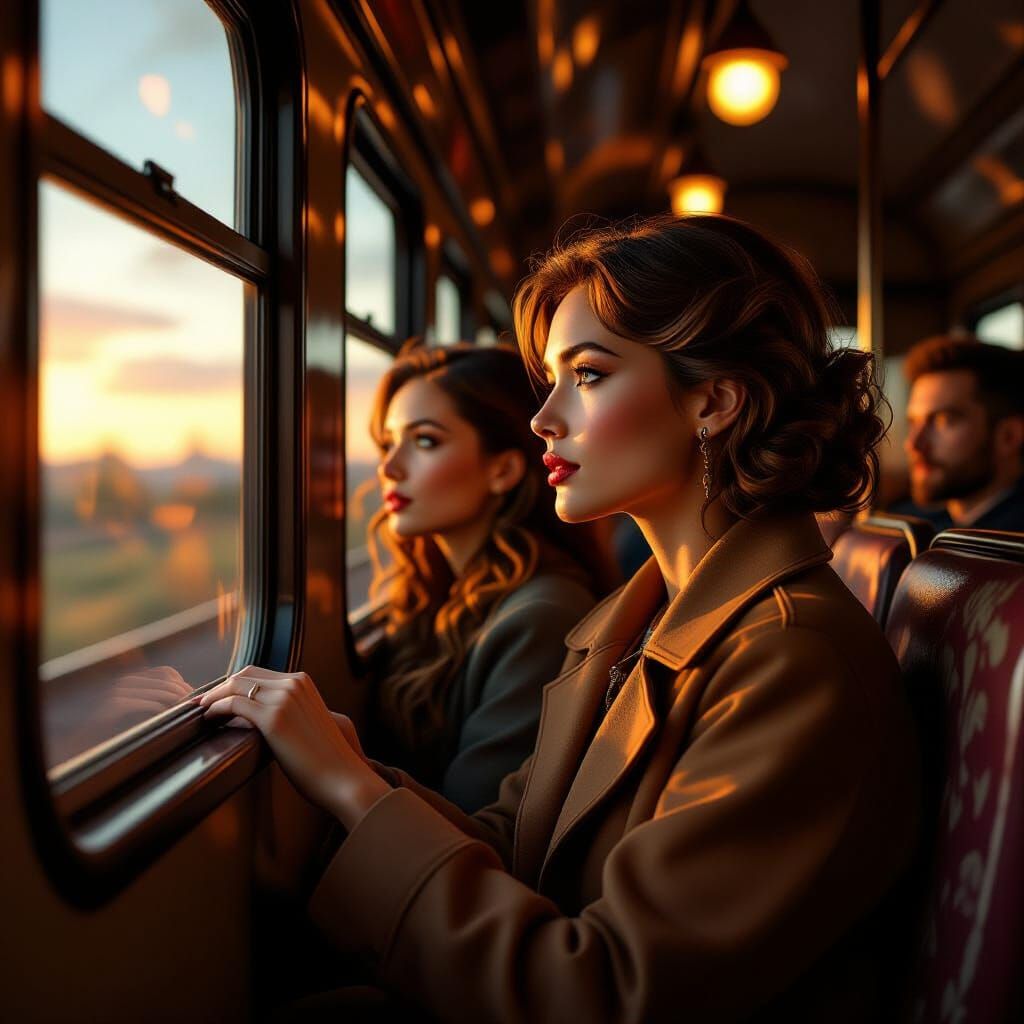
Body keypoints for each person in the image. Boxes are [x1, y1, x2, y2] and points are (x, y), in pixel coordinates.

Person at [198, 214, 920, 1022]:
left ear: (715, 401)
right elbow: (516, 845)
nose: (544, 417)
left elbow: (610, 994)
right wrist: (342, 768)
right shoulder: (631, 620)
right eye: (551, 380)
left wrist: (350, 789)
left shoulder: (794, 657)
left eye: (588, 375)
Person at [354, 340, 602, 812]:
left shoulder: (541, 615)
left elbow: (476, 822)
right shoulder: (439, 595)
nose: (389, 467)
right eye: (388, 443)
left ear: (503, 469)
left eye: (425, 441)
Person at [890, 335, 1024, 532]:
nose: (913, 444)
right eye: (913, 422)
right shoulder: (906, 524)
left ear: (1009, 436)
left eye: (943, 421)